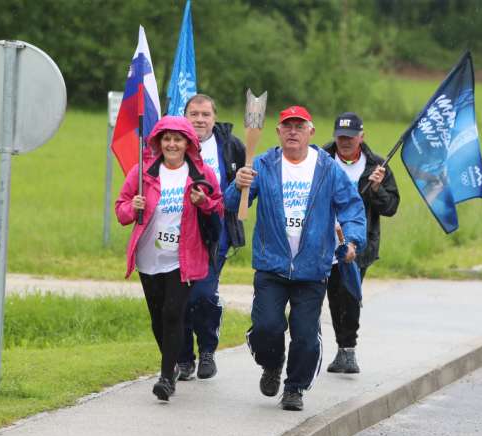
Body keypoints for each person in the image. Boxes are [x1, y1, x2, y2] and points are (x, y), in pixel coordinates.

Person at [225, 105, 366, 411]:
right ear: (278, 131)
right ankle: (272, 364)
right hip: (271, 265)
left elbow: (352, 207)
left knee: (305, 336)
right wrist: (238, 185)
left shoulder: (328, 169)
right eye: (287, 126)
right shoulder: (262, 164)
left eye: (299, 126)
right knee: (266, 328)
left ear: (310, 131)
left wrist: (353, 241)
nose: (292, 131)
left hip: (312, 268)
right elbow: (233, 205)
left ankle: (295, 388)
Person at [115, 116, 223, 402]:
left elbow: (218, 207)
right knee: (157, 317)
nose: (172, 144)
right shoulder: (142, 173)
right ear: (158, 142)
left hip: (183, 257)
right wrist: (132, 206)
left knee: (173, 312)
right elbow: (121, 209)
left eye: (178, 139)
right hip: (149, 256)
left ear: (188, 143)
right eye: (166, 139)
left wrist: (204, 203)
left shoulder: (202, 174)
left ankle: (166, 378)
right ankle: (173, 362)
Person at [322, 112, 400, 374]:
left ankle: (348, 351)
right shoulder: (320, 159)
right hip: (321, 241)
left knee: (349, 294)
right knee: (332, 295)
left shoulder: (377, 166)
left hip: (359, 244)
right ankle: (323, 348)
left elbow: (391, 207)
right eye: (341, 137)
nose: (345, 142)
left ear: (361, 137)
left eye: (351, 137)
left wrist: (377, 189)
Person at [177, 94, 246, 381]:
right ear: (185, 116)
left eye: (205, 114)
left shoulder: (231, 146)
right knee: (179, 299)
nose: (200, 120)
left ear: (214, 117)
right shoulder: (174, 143)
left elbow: (244, 188)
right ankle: (183, 357)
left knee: (203, 294)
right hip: (179, 234)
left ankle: (207, 349)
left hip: (216, 232)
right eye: (194, 114)